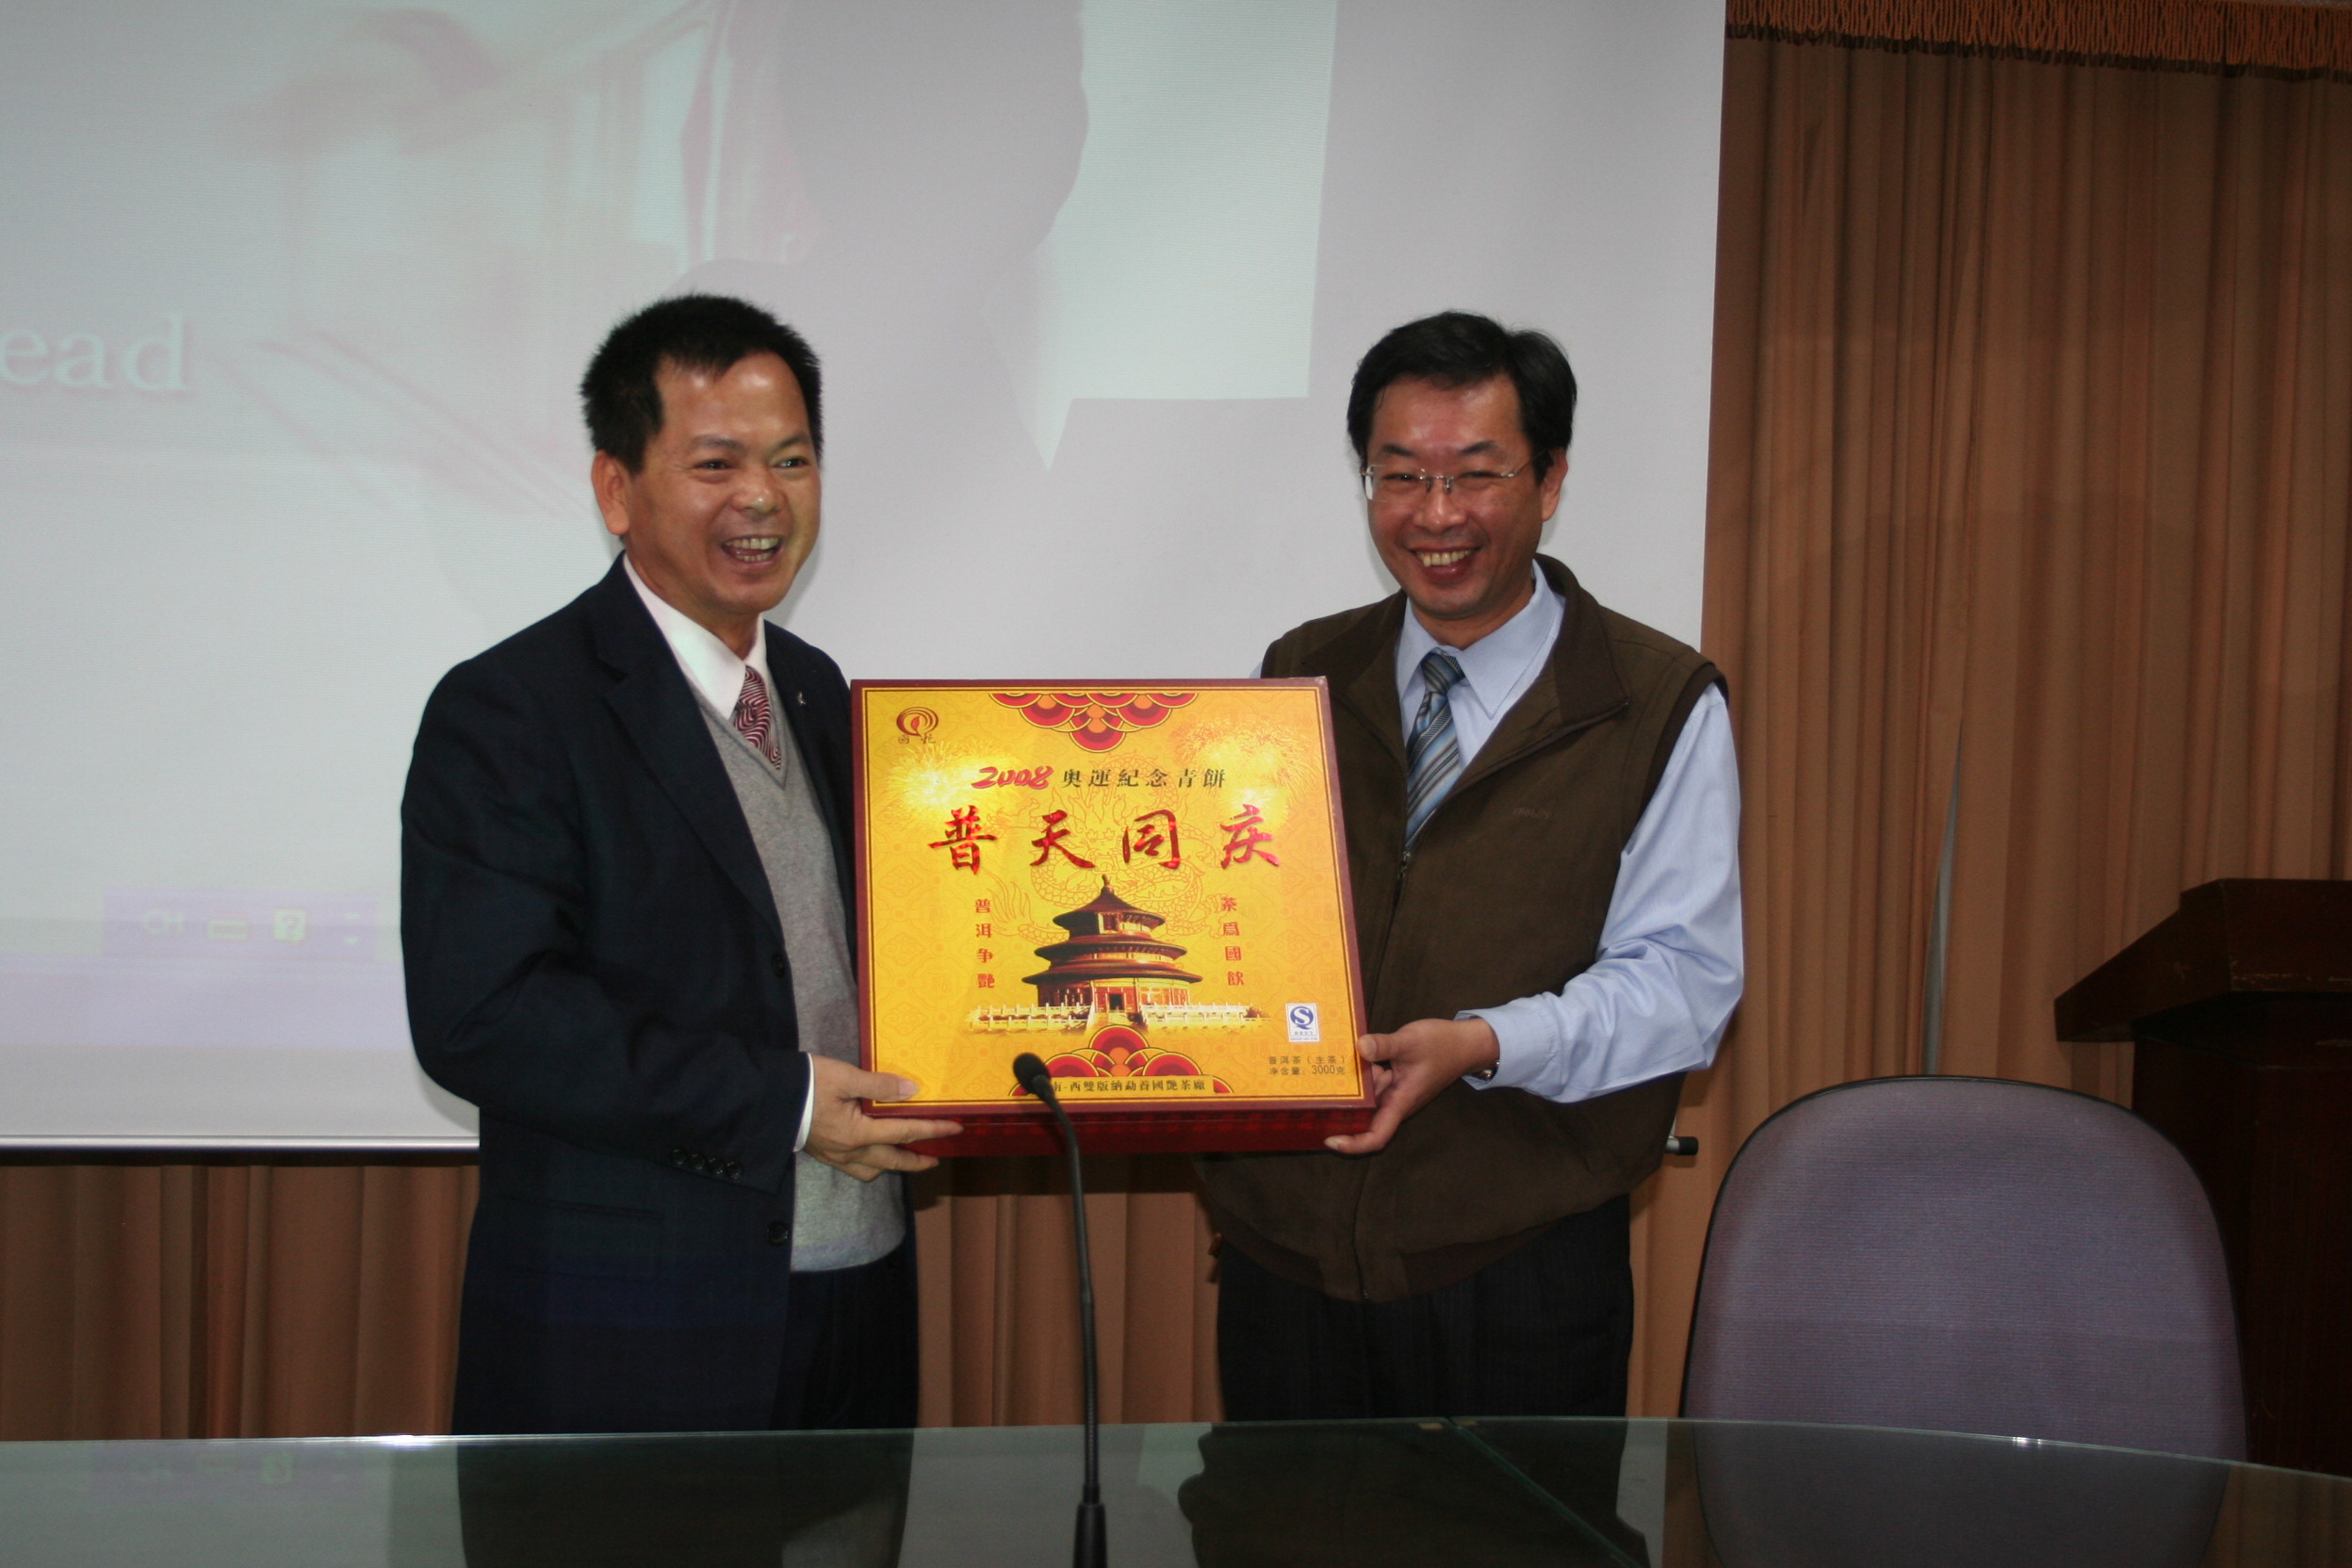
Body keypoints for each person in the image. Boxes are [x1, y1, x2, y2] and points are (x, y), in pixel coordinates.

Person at [401, 294, 959, 1434]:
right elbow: (484, 1015)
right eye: (716, 462)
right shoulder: (513, 707)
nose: (763, 497)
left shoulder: (819, 689)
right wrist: (787, 1102)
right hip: (637, 1326)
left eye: (792, 460)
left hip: (856, 1289)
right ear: (617, 490)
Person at [1198, 311, 1742, 1420]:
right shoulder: (1302, 669)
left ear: (1551, 480)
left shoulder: (1653, 701)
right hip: (1286, 1269)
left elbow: (1683, 987)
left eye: (1476, 474)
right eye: (1399, 475)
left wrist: (1484, 1042)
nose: (1435, 514)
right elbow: (1241, 919)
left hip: (1517, 1270)